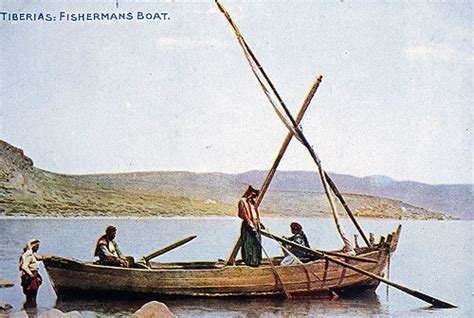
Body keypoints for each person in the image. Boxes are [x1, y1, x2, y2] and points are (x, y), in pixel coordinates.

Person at [238, 185, 262, 267]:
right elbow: (244, 214)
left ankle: (256, 261)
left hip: (256, 225)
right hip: (248, 226)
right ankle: (250, 262)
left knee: (256, 243)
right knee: (249, 244)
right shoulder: (243, 201)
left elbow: (255, 214)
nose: (254, 196)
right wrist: (251, 225)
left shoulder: (252, 202)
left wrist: (259, 224)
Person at [19, 239, 42, 306]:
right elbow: (24, 266)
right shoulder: (29, 256)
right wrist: (31, 274)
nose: (38, 248)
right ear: (32, 246)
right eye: (36, 246)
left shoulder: (31, 254)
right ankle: (31, 311)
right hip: (30, 276)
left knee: (31, 294)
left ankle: (31, 310)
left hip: (31, 275)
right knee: (31, 294)